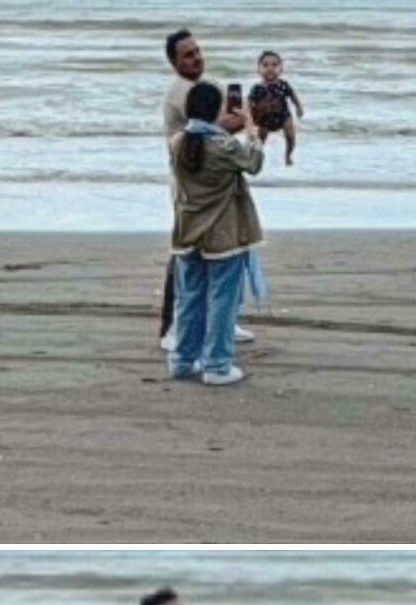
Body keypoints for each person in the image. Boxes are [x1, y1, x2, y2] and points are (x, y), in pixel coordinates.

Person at [160, 29, 256, 352]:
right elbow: (207, 131)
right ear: (174, 62)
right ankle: (171, 327)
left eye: (197, 51)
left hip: (215, 185)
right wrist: (243, 127)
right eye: (187, 54)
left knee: (221, 251)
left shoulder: (205, 85)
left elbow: (220, 132)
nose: (196, 57)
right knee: (187, 257)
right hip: (190, 186)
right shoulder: (181, 92)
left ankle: (222, 319)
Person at [168, 81, 264, 385]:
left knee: (189, 299)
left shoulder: (177, 142)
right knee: (222, 300)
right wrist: (250, 127)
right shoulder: (224, 146)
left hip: (187, 232)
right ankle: (218, 365)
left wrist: (219, 128)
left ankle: (183, 360)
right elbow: (254, 163)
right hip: (222, 234)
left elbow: (200, 140)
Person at [248, 51, 303, 165]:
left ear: (281, 69)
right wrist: (249, 117)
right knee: (260, 140)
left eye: (274, 65)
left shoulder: (283, 85)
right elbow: (249, 102)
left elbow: (292, 96)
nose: (270, 68)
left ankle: (288, 155)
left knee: (291, 136)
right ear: (258, 70)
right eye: (265, 65)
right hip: (264, 119)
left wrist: (298, 107)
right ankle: (256, 159)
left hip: (284, 116)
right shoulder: (257, 88)